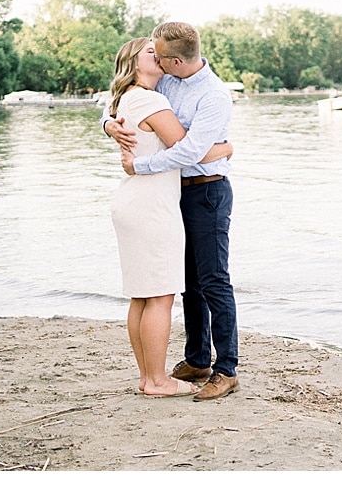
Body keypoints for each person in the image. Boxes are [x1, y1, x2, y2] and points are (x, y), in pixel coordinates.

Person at [104, 21, 240, 402]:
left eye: (160, 54)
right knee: (181, 286)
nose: (157, 59)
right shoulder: (160, 85)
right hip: (166, 195)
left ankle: (226, 368)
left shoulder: (213, 95)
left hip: (206, 192)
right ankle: (196, 359)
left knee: (212, 280)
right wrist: (108, 126)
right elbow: (121, 102)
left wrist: (139, 164)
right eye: (152, 54)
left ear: (175, 60)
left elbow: (189, 152)